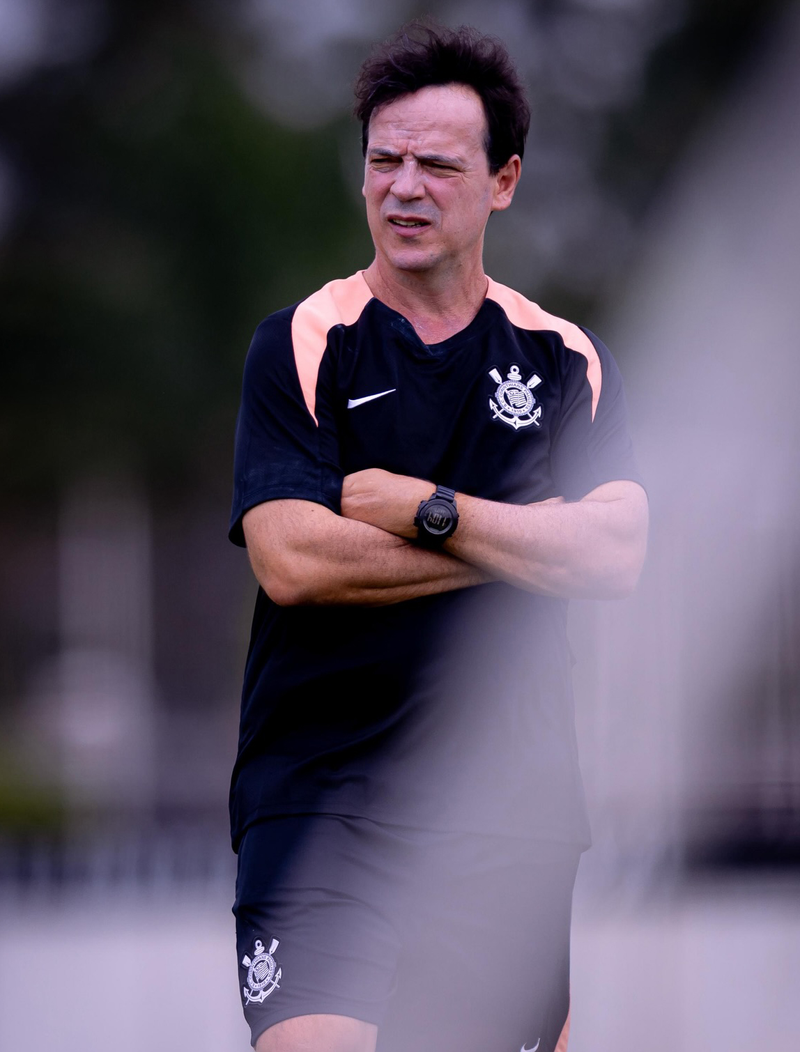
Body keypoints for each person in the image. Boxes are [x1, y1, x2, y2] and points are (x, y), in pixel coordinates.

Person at [228, 22, 648, 1052]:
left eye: (437, 166)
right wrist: (523, 546)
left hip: (509, 811)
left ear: (502, 181)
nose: (403, 188)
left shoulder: (562, 358)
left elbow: (615, 553)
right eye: (384, 161)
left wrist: (432, 508)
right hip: (321, 802)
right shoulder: (303, 341)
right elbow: (291, 559)